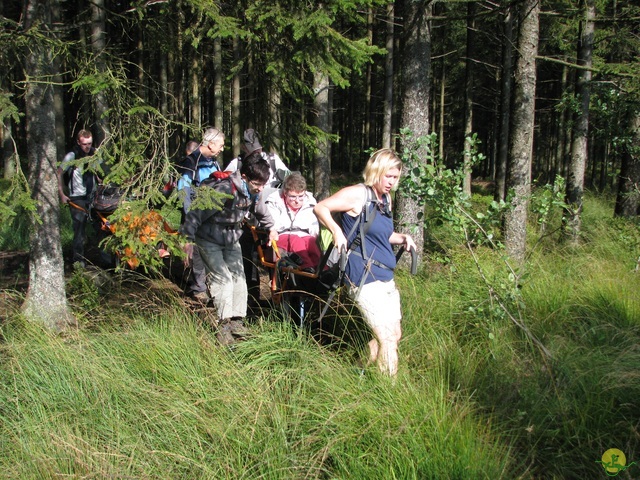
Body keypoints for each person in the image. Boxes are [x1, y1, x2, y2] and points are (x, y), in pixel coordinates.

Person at [313, 148, 416, 376]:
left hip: (385, 275)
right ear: (376, 171)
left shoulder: (385, 199)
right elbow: (320, 207)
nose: (391, 182)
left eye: (395, 177)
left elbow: (380, 234)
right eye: (387, 176)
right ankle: (389, 396)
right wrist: (337, 231)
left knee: (393, 335)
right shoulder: (358, 194)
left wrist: (401, 238)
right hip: (363, 275)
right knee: (387, 339)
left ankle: (358, 373)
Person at [180, 151, 278, 345]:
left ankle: (237, 321)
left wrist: (272, 227)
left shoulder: (252, 192)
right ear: (244, 177)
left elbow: (260, 210)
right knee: (222, 280)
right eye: (257, 184)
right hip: (209, 238)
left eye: (263, 184)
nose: (260, 189)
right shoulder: (224, 189)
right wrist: (187, 240)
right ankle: (223, 325)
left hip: (232, 239)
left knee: (239, 279)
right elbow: (195, 214)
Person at [225, 129, 290, 309]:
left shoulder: (272, 160)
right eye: (252, 150)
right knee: (247, 258)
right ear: (245, 148)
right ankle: (250, 297)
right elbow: (225, 181)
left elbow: (290, 179)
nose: (256, 153)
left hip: (269, 217)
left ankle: (276, 297)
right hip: (245, 220)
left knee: (271, 257)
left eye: (258, 149)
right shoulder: (237, 163)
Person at [176, 129, 225, 299]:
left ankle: (210, 286)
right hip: (195, 216)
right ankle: (199, 289)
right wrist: (191, 219)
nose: (222, 149)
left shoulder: (213, 162)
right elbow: (183, 190)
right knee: (196, 251)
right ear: (211, 144)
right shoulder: (190, 163)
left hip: (212, 217)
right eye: (220, 145)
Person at [57, 129, 99, 267]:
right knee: (79, 229)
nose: (87, 147)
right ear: (78, 142)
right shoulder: (72, 156)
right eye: (84, 144)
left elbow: (97, 172)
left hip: (93, 196)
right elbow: (59, 173)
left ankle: (101, 258)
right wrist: (62, 194)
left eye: (90, 143)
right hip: (77, 197)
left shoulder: (95, 153)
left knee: (99, 227)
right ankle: (78, 261)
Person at [264, 172, 321, 271]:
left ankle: (322, 270)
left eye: (301, 196)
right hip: (280, 236)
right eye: (293, 197)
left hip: (303, 235)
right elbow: (272, 223)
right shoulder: (274, 201)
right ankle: (307, 267)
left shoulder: (310, 202)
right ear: (285, 193)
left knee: (311, 242)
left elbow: (314, 226)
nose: (297, 201)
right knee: (296, 240)